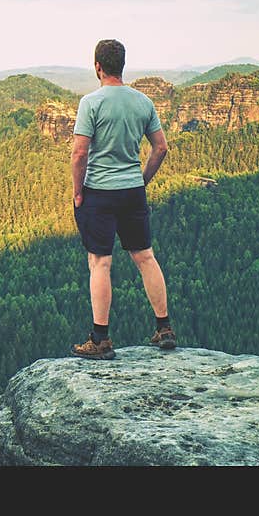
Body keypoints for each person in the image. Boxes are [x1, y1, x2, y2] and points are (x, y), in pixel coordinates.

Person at [70, 39, 176, 360]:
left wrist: (77, 191)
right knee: (145, 257)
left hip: (99, 193)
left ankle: (100, 339)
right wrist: (142, 180)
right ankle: (164, 327)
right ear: (123, 65)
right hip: (132, 191)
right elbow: (161, 147)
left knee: (100, 262)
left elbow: (79, 153)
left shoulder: (91, 103)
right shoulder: (143, 102)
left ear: (98, 66)